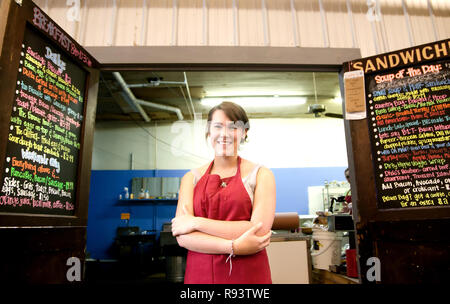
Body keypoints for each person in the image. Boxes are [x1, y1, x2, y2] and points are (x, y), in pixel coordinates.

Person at [171, 101, 276, 284]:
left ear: (244, 133)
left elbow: (258, 231)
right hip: (200, 277)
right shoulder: (191, 178)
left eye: (234, 127)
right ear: (209, 132)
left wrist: (196, 222)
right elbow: (183, 236)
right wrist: (235, 246)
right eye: (218, 126)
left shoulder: (260, 174)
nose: (224, 134)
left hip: (248, 277)